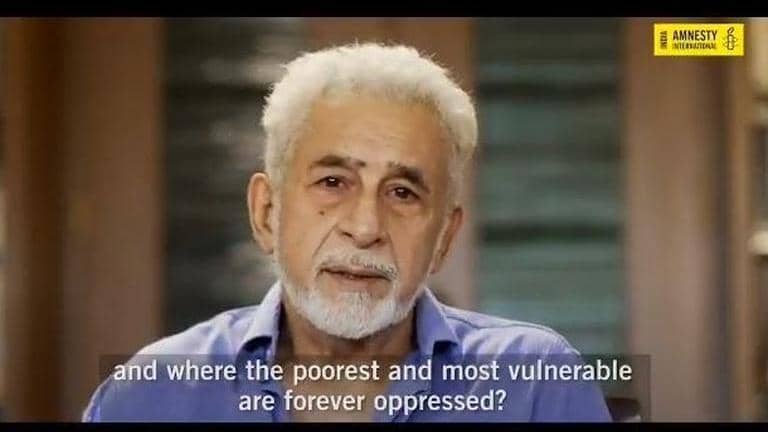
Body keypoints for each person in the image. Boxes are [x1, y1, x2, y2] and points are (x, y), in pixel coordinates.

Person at [83, 43, 612, 422]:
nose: (365, 228)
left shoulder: (536, 383)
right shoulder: (151, 395)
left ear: (444, 240)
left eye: (402, 193)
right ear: (266, 212)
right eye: (333, 183)